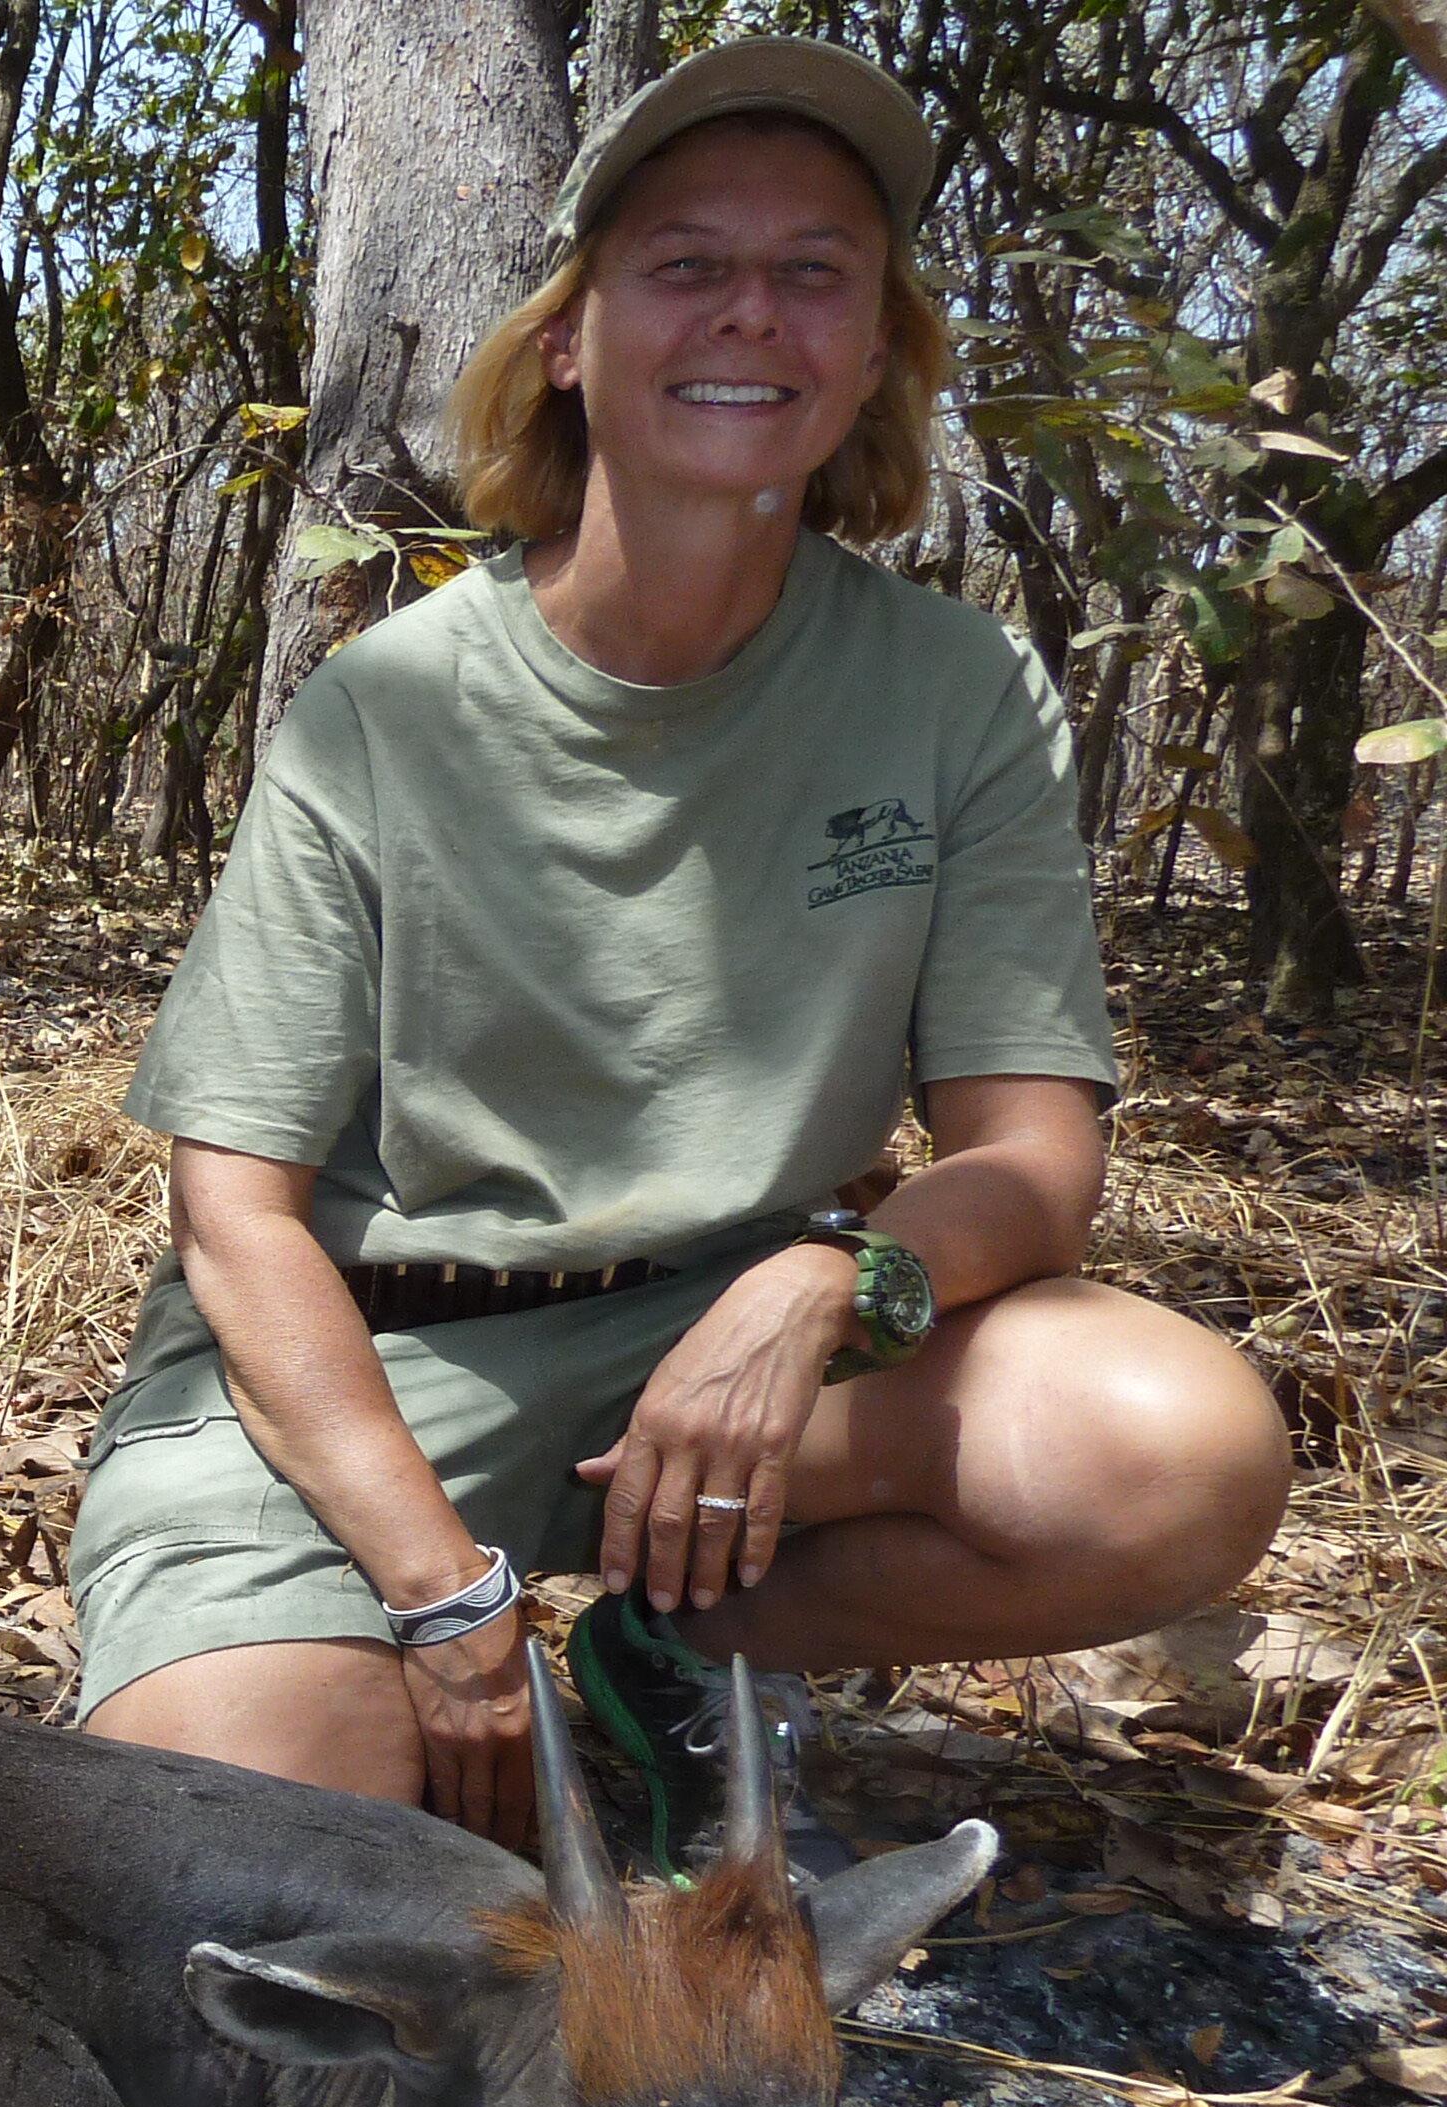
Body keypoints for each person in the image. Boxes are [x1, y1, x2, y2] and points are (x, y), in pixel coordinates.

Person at [70, 35, 1291, 1874]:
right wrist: (439, 1598)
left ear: (874, 347)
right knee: (264, 1865)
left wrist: (827, 1293)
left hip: (732, 1352)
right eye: (689, 263)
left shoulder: (955, 693)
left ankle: (686, 1641)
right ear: (573, 333)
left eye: (818, 273)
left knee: (1182, 1446)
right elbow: (235, 1212)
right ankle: (353, 1632)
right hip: (368, 1364)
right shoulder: (385, 713)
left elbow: (1036, 1163)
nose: (755, 316)